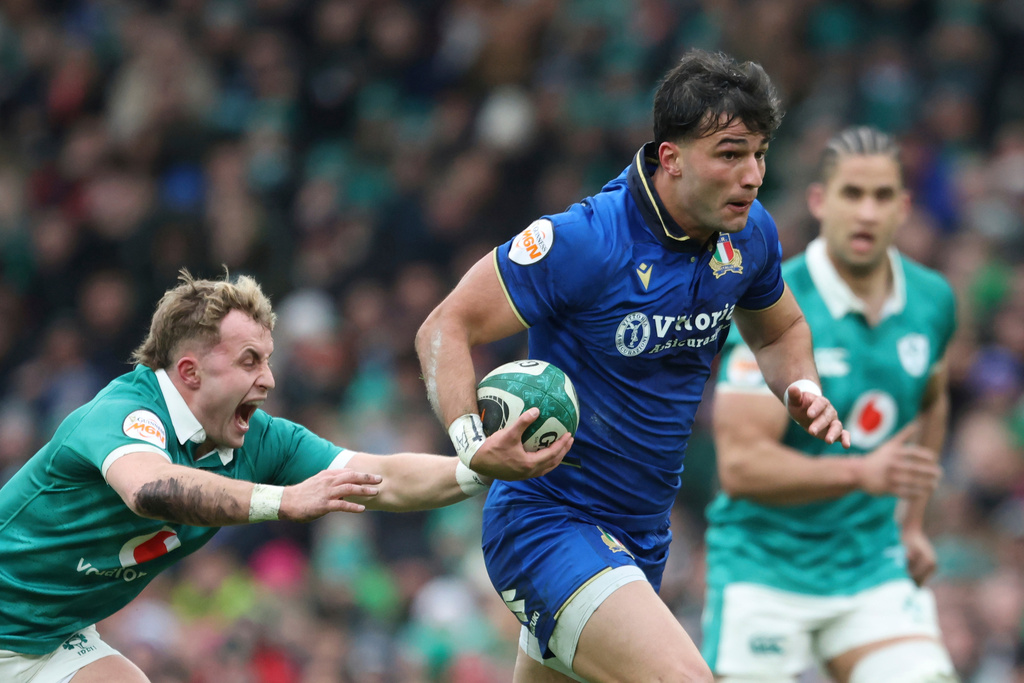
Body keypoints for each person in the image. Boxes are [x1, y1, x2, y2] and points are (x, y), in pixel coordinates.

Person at [415, 49, 851, 683]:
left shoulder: (749, 235)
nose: (753, 175)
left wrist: (801, 385)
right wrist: (469, 444)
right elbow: (445, 326)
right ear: (670, 158)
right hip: (547, 523)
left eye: (759, 153)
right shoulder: (587, 240)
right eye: (730, 153)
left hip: (641, 536)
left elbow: (780, 328)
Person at [0, 270, 572, 683]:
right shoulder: (125, 414)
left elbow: (382, 478)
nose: (269, 380)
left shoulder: (259, 439)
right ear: (190, 370)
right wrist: (283, 501)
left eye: (268, 360)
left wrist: (477, 467)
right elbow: (150, 488)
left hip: (49, 640)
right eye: (250, 361)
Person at [702, 126, 958, 682]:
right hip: (763, 567)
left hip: (870, 567)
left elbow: (932, 402)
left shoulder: (933, 300)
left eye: (883, 196)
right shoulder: (771, 303)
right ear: (819, 201)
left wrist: (911, 525)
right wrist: (863, 473)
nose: (867, 212)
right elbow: (742, 467)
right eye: (852, 194)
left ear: (905, 207)